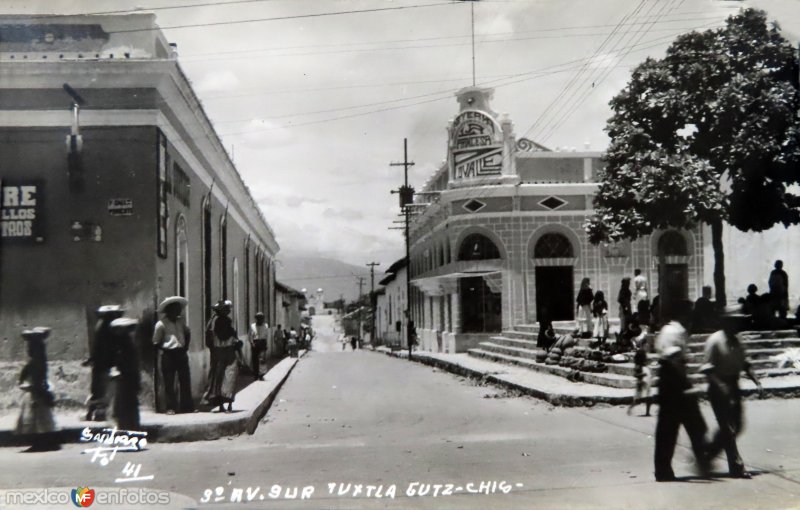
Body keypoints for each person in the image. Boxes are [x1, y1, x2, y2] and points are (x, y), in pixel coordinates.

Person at [701, 313, 763, 479]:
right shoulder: (714, 340)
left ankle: (706, 454)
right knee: (727, 429)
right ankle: (736, 467)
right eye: (735, 321)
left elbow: (745, 363)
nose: (738, 325)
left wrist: (756, 381)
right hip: (718, 388)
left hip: (733, 386)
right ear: (726, 323)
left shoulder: (738, 340)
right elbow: (707, 369)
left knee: (738, 425)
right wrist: (720, 386)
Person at [653, 302, 709, 481]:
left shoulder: (678, 330)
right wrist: (685, 385)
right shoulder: (672, 332)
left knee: (687, 426)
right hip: (673, 381)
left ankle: (698, 463)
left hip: (674, 379)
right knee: (673, 428)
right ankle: (665, 470)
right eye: (690, 313)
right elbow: (671, 359)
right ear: (683, 314)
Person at [15, 327, 60, 452]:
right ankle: (44, 442)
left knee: (37, 419)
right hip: (38, 389)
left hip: (36, 391)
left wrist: (31, 387)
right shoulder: (38, 361)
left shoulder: (37, 362)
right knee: (41, 418)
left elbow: (36, 378)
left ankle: (41, 442)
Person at [152, 296, 194, 415]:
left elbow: (187, 332)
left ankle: (187, 406)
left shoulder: (181, 321)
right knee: (169, 382)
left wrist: (185, 347)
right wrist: (164, 351)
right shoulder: (161, 324)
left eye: (179, 309)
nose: (179, 311)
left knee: (185, 380)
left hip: (181, 353)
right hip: (168, 355)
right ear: (169, 310)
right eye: (176, 309)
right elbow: (156, 342)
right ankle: (171, 407)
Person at [84, 305, 125, 421]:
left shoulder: (101, 326)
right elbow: (106, 348)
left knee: (97, 389)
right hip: (105, 364)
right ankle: (99, 413)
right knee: (103, 389)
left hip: (101, 364)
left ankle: (92, 412)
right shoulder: (107, 328)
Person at [204, 300, 243, 412]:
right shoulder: (215, 323)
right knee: (222, 378)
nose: (228, 311)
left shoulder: (218, 322)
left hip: (224, 352)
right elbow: (211, 340)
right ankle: (223, 404)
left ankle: (227, 404)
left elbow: (233, 338)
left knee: (228, 377)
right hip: (220, 353)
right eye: (226, 309)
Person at [109, 317, 141, 431]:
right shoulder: (123, 345)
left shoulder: (126, 346)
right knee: (126, 410)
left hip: (127, 382)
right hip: (125, 382)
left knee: (126, 410)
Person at [249, 312, 269, 380]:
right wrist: (252, 343)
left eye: (261, 318)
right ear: (256, 319)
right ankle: (255, 374)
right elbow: (250, 336)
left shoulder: (266, 325)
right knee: (255, 360)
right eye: (258, 318)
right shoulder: (252, 326)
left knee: (262, 359)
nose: (260, 319)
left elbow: (266, 335)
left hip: (262, 342)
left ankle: (261, 374)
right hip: (255, 342)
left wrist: (266, 344)